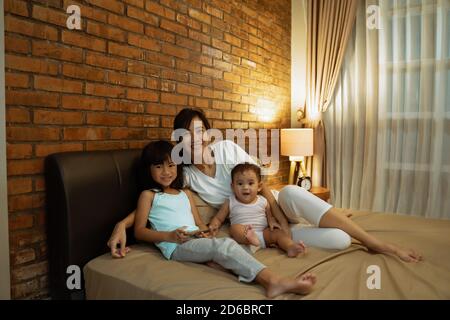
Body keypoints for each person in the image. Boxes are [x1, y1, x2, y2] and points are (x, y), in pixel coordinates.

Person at [108, 107, 422, 263]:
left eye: (201, 130)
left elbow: (263, 183)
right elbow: (158, 197)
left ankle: (376, 243)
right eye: (187, 134)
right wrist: (122, 223)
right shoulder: (185, 174)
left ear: (209, 132)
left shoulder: (228, 149)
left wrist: (277, 213)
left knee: (293, 191)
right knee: (339, 241)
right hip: (256, 226)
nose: (196, 138)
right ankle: (336, 225)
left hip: (273, 207)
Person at [133, 139, 317, 298]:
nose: (166, 171)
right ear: (148, 170)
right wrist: (168, 237)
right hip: (175, 246)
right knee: (224, 246)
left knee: (223, 248)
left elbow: (199, 224)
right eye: (158, 166)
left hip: (192, 238)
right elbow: (139, 231)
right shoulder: (148, 196)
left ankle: (233, 267)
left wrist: (207, 231)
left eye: (171, 165)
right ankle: (273, 281)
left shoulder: (185, 193)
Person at [209, 162, 307, 257]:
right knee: (234, 228)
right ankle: (250, 238)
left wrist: (271, 222)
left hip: (263, 235)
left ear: (259, 186)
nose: (245, 187)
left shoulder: (263, 201)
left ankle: (290, 246)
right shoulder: (230, 202)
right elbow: (218, 218)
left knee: (278, 233)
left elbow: (269, 216)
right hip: (244, 238)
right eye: (240, 184)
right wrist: (214, 225)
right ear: (233, 187)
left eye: (250, 183)